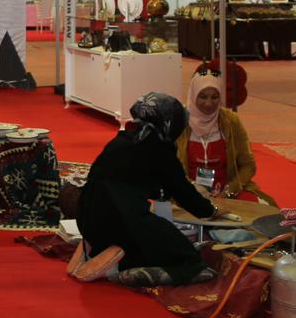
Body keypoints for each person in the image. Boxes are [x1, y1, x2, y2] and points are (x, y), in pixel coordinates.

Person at [70, 92, 223, 287]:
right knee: (188, 258)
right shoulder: (159, 148)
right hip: (118, 220)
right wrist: (211, 211)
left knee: (145, 231)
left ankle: (105, 253)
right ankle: (130, 269)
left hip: (86, 218)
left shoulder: (124, 138)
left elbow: (135, 180)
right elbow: (183, 193)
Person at [176, 70, 276, 205]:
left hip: (229, 193)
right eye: (203, 97)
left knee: (263, 212)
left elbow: (248, 165)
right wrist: (191, 189)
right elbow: (169, 167)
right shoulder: (178, 120)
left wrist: (228, 191)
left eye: (214, 97)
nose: (209, 103)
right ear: (193, 95)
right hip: (187, 192)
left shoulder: (231, 121)